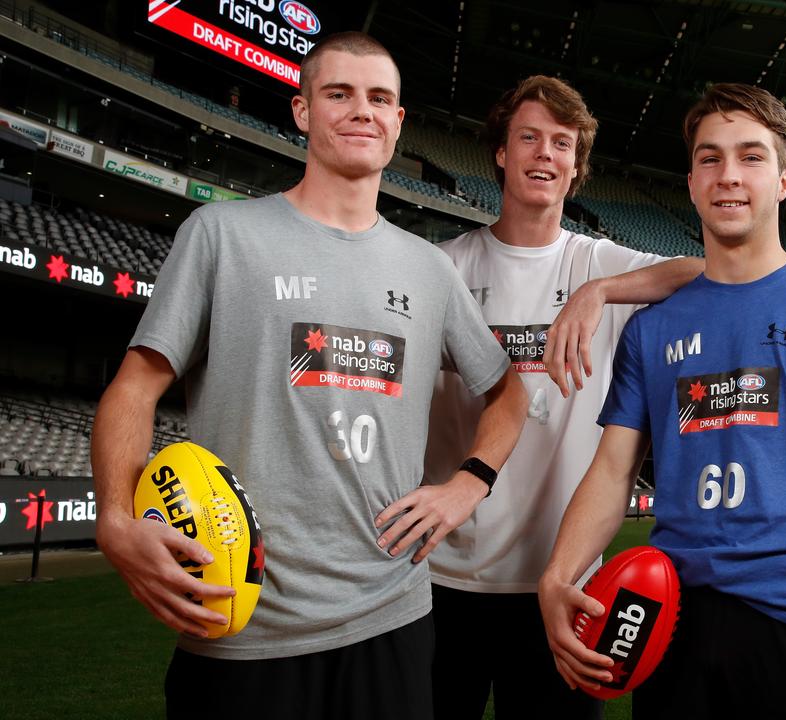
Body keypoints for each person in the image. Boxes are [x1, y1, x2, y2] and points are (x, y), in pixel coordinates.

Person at [90, 32, 527, 718]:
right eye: (339, 94)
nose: (362, 110)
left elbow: (507, 389)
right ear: (301, 112)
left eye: (380, 98)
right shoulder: (221, 235)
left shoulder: (430, 268)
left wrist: (467, 485)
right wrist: (114, 516)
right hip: (240, 619)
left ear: (399, 122)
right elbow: (134, 387)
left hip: (390, 614)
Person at [537, 83, 786, 720]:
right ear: (690, 181)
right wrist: (558, 574)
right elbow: (613, 471)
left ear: (784, 181)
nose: (729, 176)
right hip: (668, 619)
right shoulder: (652, 328)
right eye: (710, 158)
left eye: (751, 157)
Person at [423, 75, 702, 719]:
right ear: (500, 151)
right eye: (529, 137)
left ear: (576, 166)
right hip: (443, 578)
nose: (544, 153)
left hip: (568, 586)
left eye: (561, 143)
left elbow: (712, 270)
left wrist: (600, 293)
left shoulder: (602, 266)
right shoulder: (442, 267)